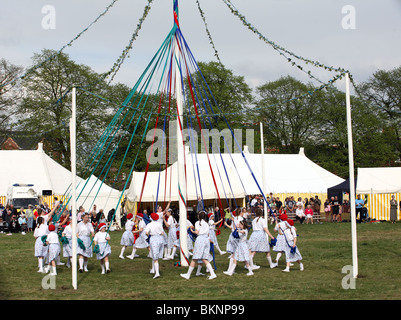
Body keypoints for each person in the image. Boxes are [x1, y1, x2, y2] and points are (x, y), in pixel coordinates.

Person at [180, 211, 217, 280]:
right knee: (204, 258)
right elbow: (208, 233)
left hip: (200, 240)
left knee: (195, 258)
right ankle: (213, 274)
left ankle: (188, 275)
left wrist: (192, 231)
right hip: (206, 240)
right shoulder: (206, 223)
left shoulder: (198, 223)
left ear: (199, 216)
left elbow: (197, 232)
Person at [144, 213, 166, 279]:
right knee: (155, 255)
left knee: (155, 256)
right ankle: (153, 269)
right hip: (160, 239)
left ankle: (157, 273)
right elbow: (162, 232)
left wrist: (149, 236)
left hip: (154, 239)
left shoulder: (149, 225)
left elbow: (146, 232)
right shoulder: (159, 224)